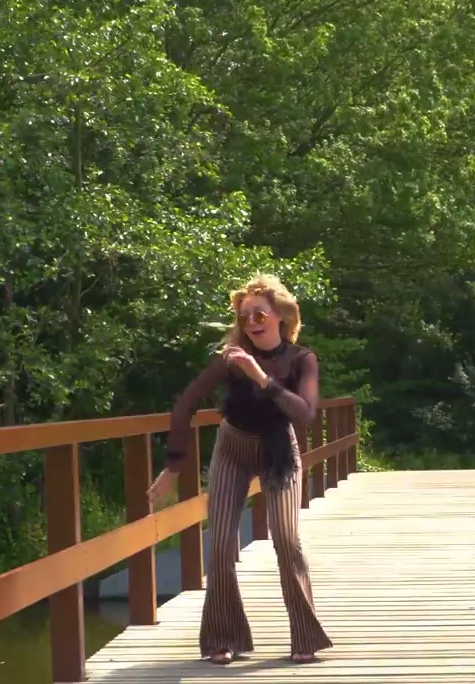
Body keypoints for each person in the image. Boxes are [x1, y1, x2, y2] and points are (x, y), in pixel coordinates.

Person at [147, 273, 333, 665]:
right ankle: (222, 638)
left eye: (259, 314)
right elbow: (185, 405)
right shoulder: (230, 359)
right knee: (220, 545)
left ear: (281, 316)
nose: (251, 322)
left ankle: (305, 636)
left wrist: (260, 377)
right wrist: (173, 467)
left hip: (278, 450)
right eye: (244, 315)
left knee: (287, 540)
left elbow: (305, 413)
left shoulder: (301, 359)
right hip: (233, 448)